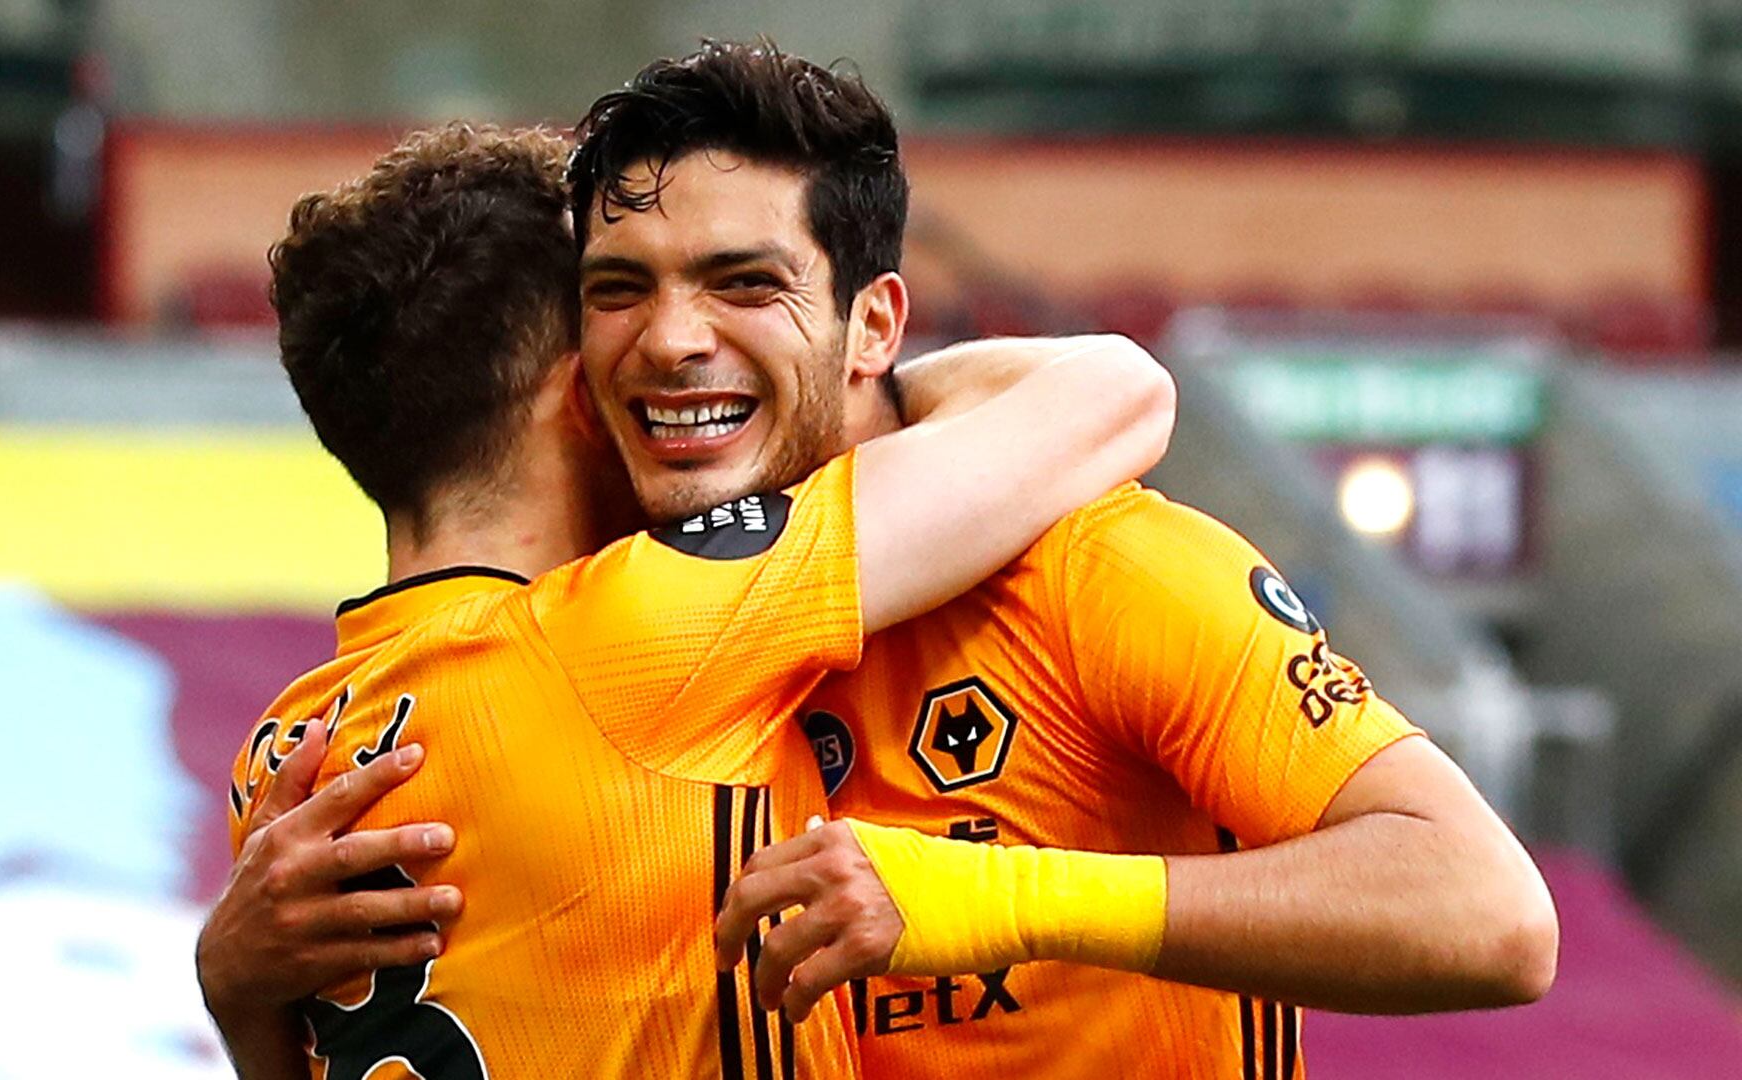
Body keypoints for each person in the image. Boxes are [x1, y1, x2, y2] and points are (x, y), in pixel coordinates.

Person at [204, 40, 1557, 1080]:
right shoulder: (620, 623)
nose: (670, 340)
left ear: (872, 324)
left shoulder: (1098, 571)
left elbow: (1490, 915)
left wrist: (999, 896)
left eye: (743, 285)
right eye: (619, 290)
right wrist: (238, 982)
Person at [201, 119, 1175, 1080]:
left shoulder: (282, 761)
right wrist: (833, 372)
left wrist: (237, 1002)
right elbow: (1118, 394)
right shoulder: (648, 625)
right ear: (585, 394)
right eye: (616, 305)